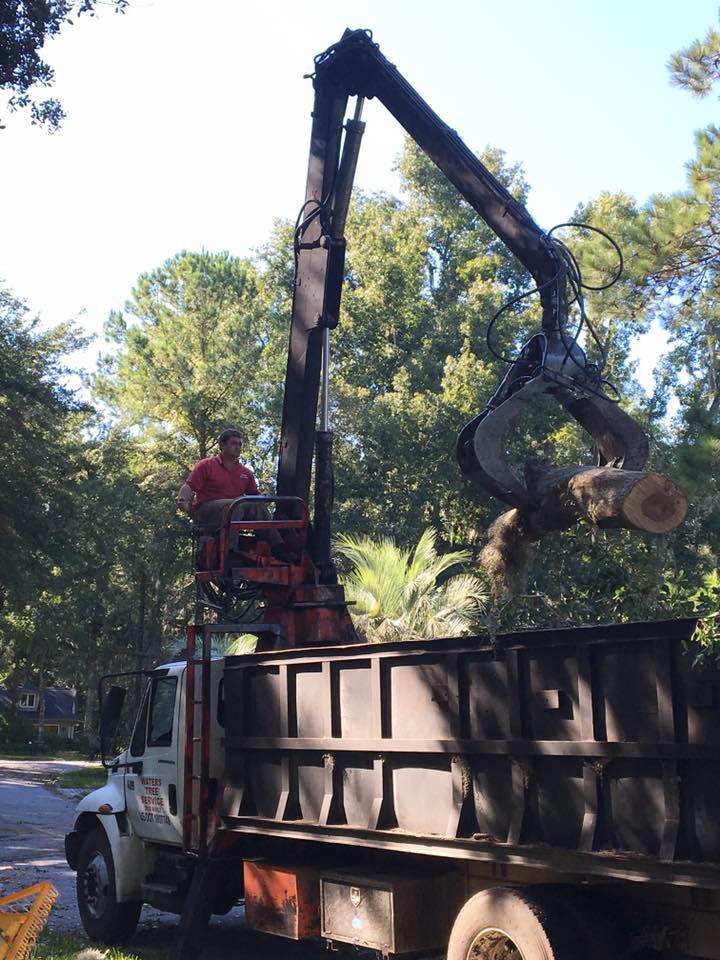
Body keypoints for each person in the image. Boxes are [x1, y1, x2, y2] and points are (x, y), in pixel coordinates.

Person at [177, 428, 285, 555]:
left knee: (255, 506)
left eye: (240, 444)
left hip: (234, 508)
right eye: (234, 443)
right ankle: (230, 550)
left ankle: (277, 547)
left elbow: (254, 496)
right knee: (235, 505)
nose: (238, 447)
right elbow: (189, 486)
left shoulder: (246, 473)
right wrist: (182, 500)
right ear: (222, 445)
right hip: (207, 510)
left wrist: (264, 499)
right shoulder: (207, 465)